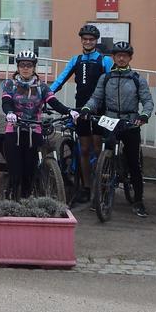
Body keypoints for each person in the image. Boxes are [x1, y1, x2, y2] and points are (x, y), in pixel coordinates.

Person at [82, 41, 154, 218]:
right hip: (110, 121)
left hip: (130, 122)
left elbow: (147, 101)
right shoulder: (105, 78)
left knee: (133, 163)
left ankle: (138, 201)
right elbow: (96, 98)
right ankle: (100, 196)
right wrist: (86, 108)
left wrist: (144, 115)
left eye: (125, 55)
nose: (121, 58)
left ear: (130, 58)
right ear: (113, 57)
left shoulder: (137, 79)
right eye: (118, 55)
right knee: (104, 162)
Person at [49, 24, 113, 206]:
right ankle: (86, 187)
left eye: (91, 39)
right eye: (85, 39)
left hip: (100, 110)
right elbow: (60, 80)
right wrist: (47, 95)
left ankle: (101, 184)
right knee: (84, 150)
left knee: (98, 149)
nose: (88, 42)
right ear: (81, 40)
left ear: (96, 41)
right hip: (80, 110)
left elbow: (111, 83)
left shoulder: (104, 60)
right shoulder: (76, 60)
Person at [2, 50, 69, 200]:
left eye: (29, 65)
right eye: (22, 65)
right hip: (14, 131)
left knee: (29, 171)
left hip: (34, 131)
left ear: (34, 67)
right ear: (18, 67)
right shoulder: (10, 84)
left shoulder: (42, 87)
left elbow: (54, 103)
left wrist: (69, 111)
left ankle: (26, 200)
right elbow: (6, 102)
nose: (26, 68)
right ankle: (10, 198)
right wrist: (9, 113)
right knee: (15, 170)